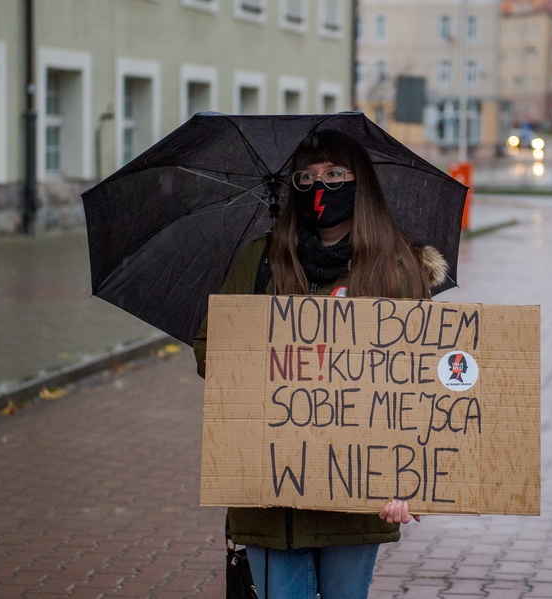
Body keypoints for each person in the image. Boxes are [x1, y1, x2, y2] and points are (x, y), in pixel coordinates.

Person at [192, 129, 449, 599]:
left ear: (361, 184)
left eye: (335, 174)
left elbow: (420, 382)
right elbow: (210, 348)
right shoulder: (261, 262)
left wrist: (408, 479)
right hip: (271, 490)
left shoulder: (396, 270)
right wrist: (273, 354)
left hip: (357, 489)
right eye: (306, 178)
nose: (320, 188)